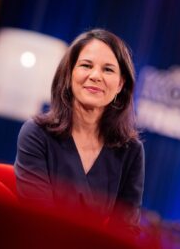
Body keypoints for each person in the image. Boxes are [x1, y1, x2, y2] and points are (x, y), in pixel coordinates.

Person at [14, 29, 144, 230]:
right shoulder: (36, 134)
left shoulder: (131, 150)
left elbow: (125, 229)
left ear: (120, 84)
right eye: (86, 65)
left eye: (108, 70)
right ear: (69, 74)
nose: (95, 76)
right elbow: (38, 219)